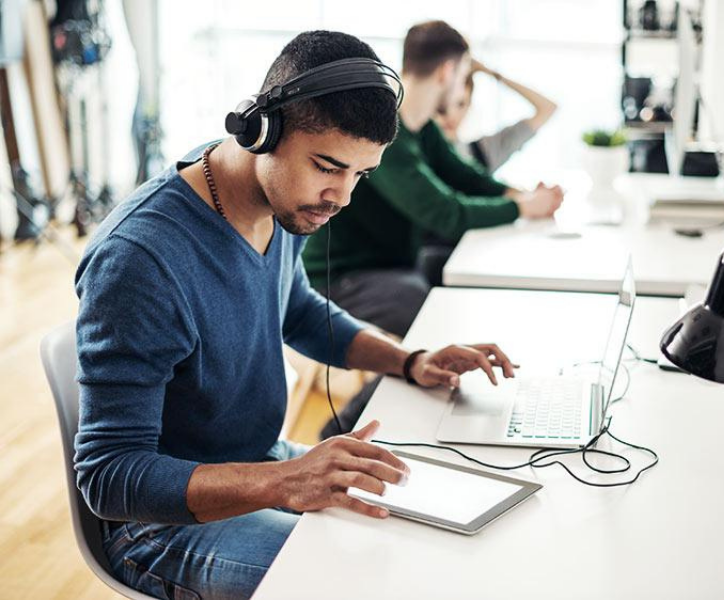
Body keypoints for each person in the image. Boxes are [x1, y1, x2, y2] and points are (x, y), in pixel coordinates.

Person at [74, 30, 517, 600]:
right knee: (375, 581)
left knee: (436, 533)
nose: (342, 197)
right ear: (263, 130)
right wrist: (284, 481)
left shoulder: (280, 202)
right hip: (162, 530)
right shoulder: (140, 261)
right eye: (329, 167)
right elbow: (110, 477)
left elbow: (299, 309)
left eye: (360, 175)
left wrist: (410, 361)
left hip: (261, 462)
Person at [302, 21, 564, 341]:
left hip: (392, 263)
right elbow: (445, 213)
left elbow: (466, 178)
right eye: (464, 74)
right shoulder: (385, 134)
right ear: (447, 72)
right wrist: (520, 208)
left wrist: (520, 195)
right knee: (434, 315)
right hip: (344, 279)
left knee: (461, 274)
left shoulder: (423, 127)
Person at [435, 58, 558, 173]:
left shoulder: (485, 151)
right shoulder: (418, 153)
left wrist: (490, 73)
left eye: (460, 104)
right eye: (442, 103)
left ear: (469, 106)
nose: (449, 113)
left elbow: (547, 108)